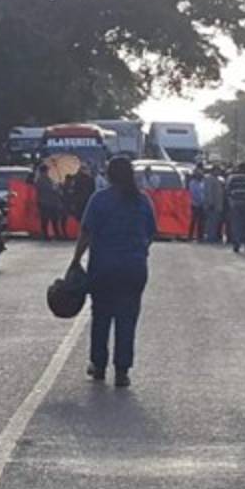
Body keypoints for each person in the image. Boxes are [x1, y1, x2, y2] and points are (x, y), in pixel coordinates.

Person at [70, 157, 156, 388]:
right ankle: (122, 370)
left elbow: (86, 233)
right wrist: (138, 252)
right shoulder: (142, 200)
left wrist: (76, 260)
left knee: (101, 316)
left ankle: (99, 365)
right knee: (127, 318)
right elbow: (150, 233)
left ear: (108, 175)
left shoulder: (100, 200)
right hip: (133, 268)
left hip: (104, 267)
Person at [225, 162, 245, 253]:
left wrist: (230, 202)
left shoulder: (232, 178)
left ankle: (236, 244)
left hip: (235, 204)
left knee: (236, 225)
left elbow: (227, 191)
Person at [36, 166, 64, 241]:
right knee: (45, 219)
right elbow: (49, 189)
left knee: (54, 219)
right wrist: (56, 187)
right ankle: (46, 235)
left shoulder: (49, 179)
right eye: (46, 171)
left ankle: (57, 234)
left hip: (52, 202)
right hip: (45, 202)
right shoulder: (41, 180)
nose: (47, 172)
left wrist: (57, 185)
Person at [202, 166, 225, 243]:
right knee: (211, 222)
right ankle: (210, 238)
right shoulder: (209, 179)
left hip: (217, 205)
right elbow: (208, 192)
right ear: (213, 171)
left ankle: (213, 237)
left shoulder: (217, 179)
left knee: (215, 222)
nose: (219, 172)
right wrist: (210, 202)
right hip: (212, 205)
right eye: (218, 170)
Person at [187, 166, 206, 242]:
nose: (200, 176)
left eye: (201, 174)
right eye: (198, 174)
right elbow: (193, 194)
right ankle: (190, 236)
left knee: (201, 221)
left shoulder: (203, 183)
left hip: (202, 204)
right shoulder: (192, 183)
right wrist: (198, 201)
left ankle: (200, 237)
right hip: (195, 204)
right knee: (193, 220)